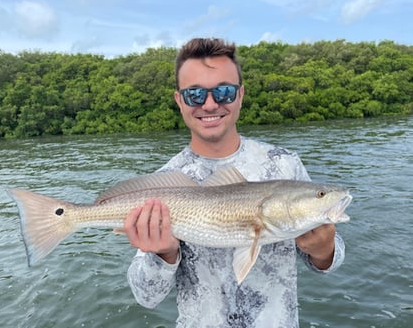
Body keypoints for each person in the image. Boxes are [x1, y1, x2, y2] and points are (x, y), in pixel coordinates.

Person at [123, 37, 345, 328]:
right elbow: (146, 296)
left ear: (240, 95)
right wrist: (163, 254)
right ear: (179, 100)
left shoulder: (284, 164)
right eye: (195, 95)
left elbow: (329, 262)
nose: (210, 104)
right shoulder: (163, 183)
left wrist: (323, 250)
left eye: (224, 92)